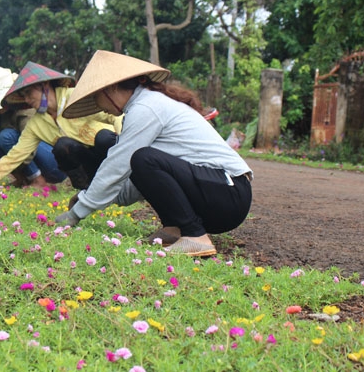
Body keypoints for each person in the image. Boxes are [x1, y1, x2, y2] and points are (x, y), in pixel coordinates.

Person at [55, 50, 253, 257]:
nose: (98, 106)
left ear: (111, 88)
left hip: (229, 194)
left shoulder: (146, 107)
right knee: (140, 160)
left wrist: (78, 212)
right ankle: (174, 228)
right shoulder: (144, 105)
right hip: (218, 194)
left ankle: (195, 236)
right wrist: (90, 198)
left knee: (142, 158)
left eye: (95, 96)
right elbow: (137, 179)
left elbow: (118, 164)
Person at [0, 61, 122, 192]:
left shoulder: (73, 97)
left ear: (44, 86)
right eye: (23, 95)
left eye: (29, 93)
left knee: (103, 137)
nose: (27, 99)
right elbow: (15, 156)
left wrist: (126, 141)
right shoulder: (37, 123)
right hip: (87, 163)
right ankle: (87, 189)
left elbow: (115, 115)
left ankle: (121, 179)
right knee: (63, 146)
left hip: (112, 153)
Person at [0, 66, 67, 188]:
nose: (27, 100)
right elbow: (12, 151)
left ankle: (38, 180)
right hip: (23, 152)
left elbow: (27, 151)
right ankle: (22, 178)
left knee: (6, 136)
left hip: (52, 161)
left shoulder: (26, 110)